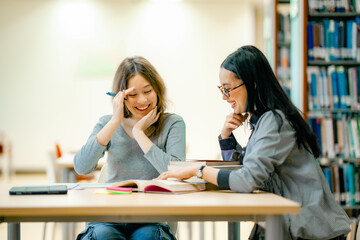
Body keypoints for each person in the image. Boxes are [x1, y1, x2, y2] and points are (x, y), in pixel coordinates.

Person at [156, 45, 351, 239]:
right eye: (222, 90)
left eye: (228, 89)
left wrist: (198, 170)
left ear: (253, 83)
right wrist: (226, 137)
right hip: (295, 226)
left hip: (310, 232)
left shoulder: (275, 120)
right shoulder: (265, 119)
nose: (225, 97)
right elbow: (245, 168)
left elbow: (246, 180)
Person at [74, 56, 185, 240]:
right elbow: (81, 167)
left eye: (147, 91)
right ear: (121, 96)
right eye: (133, 94)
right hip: (108, 217)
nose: (142, 100)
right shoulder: (106, 123)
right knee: (102, 236)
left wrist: (139, 133)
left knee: (148, 237)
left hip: (152, 219)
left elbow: (175, 172)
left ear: (157, 89)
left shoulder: (173, 123)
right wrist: (115, 121)